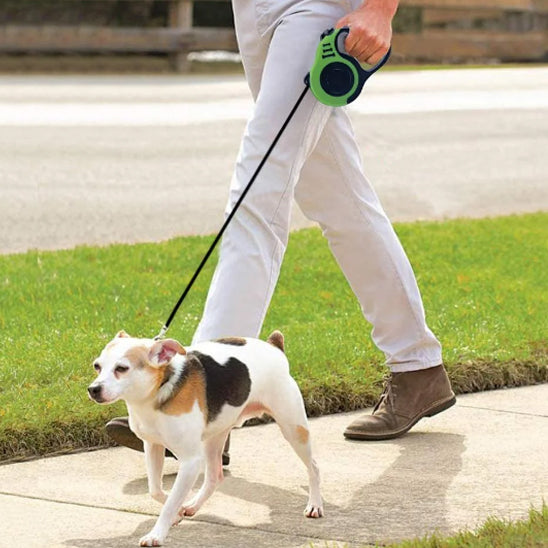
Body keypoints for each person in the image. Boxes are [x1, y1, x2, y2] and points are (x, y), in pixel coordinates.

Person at [107, 0, 455, 458]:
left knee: (258, 196)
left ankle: (201, 405)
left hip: (314, 9)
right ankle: (417, 369)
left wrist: (379, 9)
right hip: (254, 12)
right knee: (339, 197)